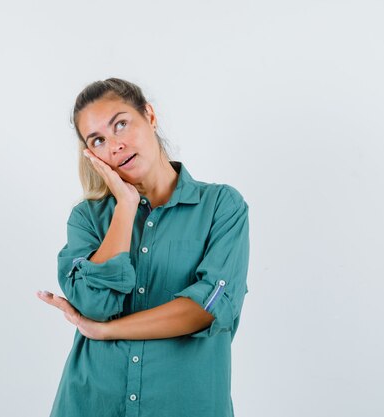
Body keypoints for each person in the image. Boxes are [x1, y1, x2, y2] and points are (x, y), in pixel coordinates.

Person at [36, 78, 250, 417]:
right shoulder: (87, 218)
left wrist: (106, 331)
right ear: (92, 155)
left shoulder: (221, 206)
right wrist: (125, 205)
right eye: (99, 140)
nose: (115, 146)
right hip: (92, 403)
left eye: (121, 124)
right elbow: (95, 304)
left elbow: (207, 308)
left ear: (149, 115)